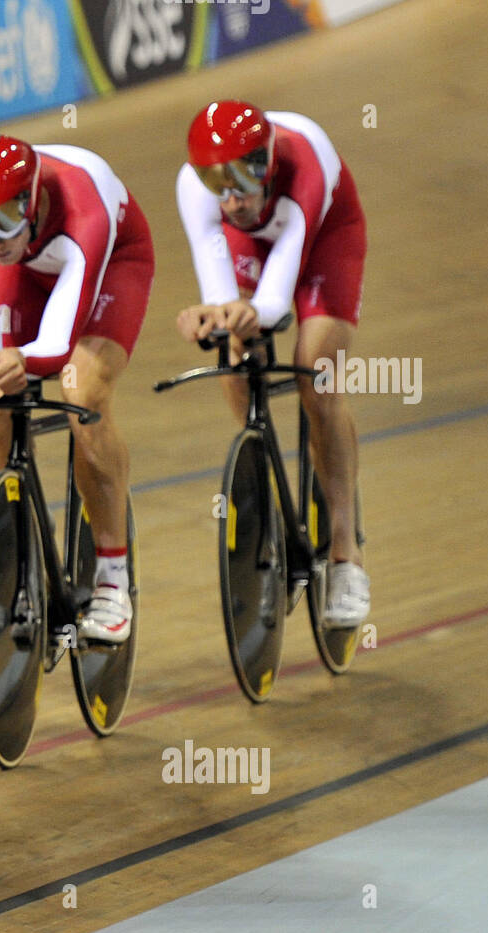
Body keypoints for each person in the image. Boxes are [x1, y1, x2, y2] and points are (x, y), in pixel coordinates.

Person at [0, 135, 154, 644]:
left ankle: (112, 576)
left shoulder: (88, 206)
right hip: (28, 271)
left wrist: (26, 359)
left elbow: (57, 347)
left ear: (32, 199)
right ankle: (24, 543)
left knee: (82, 393)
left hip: (110, 264)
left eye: (4, 219)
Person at [174, 100, 370, 628]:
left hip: (325, 238)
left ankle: (347, 556)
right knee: (238, 351)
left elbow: (277, 300)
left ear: (266, 165)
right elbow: (219, 285)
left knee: (315, 371)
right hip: (257, 246)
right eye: (220, 185)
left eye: (244, 180)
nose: (232, 199)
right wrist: (213, 314)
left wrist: (251, 311)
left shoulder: (305, 164)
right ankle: (259, 464)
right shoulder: (197, 189)